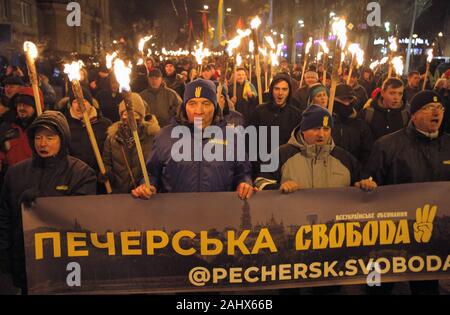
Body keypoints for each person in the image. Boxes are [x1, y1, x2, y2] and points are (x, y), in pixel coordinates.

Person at [0, 111, 97, 292]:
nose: (42, 143)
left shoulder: (81, 173)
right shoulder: (15, 173)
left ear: (62, 139)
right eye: (38, 138)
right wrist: (5, 255)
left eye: (50, 138)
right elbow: (4, 218)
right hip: (25, 260)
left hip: (63, 262)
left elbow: (82, 215)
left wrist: (44, 198)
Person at [365, 90, 449, 295]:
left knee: (425, 287)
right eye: (428, 108)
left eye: (439, 108)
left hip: (429, 236)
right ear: (413, 114)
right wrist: (366, 185)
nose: (435, 112)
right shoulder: (387, 145)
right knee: (377, 287)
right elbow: (369, 187)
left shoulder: (448, 145)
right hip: (388, 234)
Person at [131, 79, 254, 199]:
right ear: (184, 107)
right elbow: (151, 173)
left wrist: (244, 183)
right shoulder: (165, 136)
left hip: (219, 212)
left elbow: (243, 172)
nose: (199, 111)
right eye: (192, 104)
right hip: (175, 214)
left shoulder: (232, 136)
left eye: (206, 104)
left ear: (215, 107)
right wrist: (147, 185)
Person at [255, 105, 376, 192]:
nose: (321, 134)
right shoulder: (282, 154)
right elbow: (260, 182)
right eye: (315, 128)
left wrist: (365, 184)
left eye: (326, 129)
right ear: (303, 130)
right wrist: (280, 187)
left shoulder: (344, 158)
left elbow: (364, 179)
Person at [103, 93, 160, 194]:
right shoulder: (112, 138)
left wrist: (149, 185)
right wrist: (107, 173)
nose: (129, 118)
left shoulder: (151, 137)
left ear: (141, 116)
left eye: (134, 114)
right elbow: (107, 162)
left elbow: (155, 166)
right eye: (125, 114)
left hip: (143, 193)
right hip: (119, 194)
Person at [64, 86, 112, 181]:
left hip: (99, 179)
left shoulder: (105, 124)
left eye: (83, 101)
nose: (79, 105)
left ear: (90, 104)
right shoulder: (65, 125)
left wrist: (108, 170)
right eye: (75, 101)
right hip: (73, 178)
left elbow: (111, 153)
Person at [332, 84, 374, 165]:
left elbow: (366, 154)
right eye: (343, 99)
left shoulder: (361, 126)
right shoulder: (325, 124)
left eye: (350, 99)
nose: (347, 104)